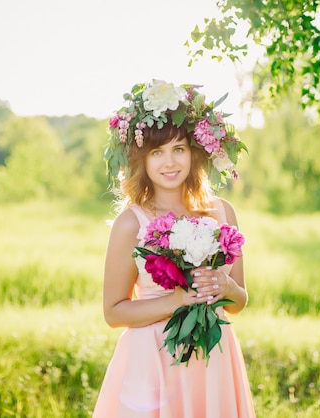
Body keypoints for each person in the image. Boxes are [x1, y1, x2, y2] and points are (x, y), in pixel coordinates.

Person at [93, 79, 255, 418]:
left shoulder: (223, 212)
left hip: (214, 361)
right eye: (157, 152)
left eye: (178, 149)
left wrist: (225, 287)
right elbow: (114, 313)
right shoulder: (131, 223)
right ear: (142, 159)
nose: (170, 162)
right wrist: (177, 301)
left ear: (194, 153)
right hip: (152, 361)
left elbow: (239, 302)